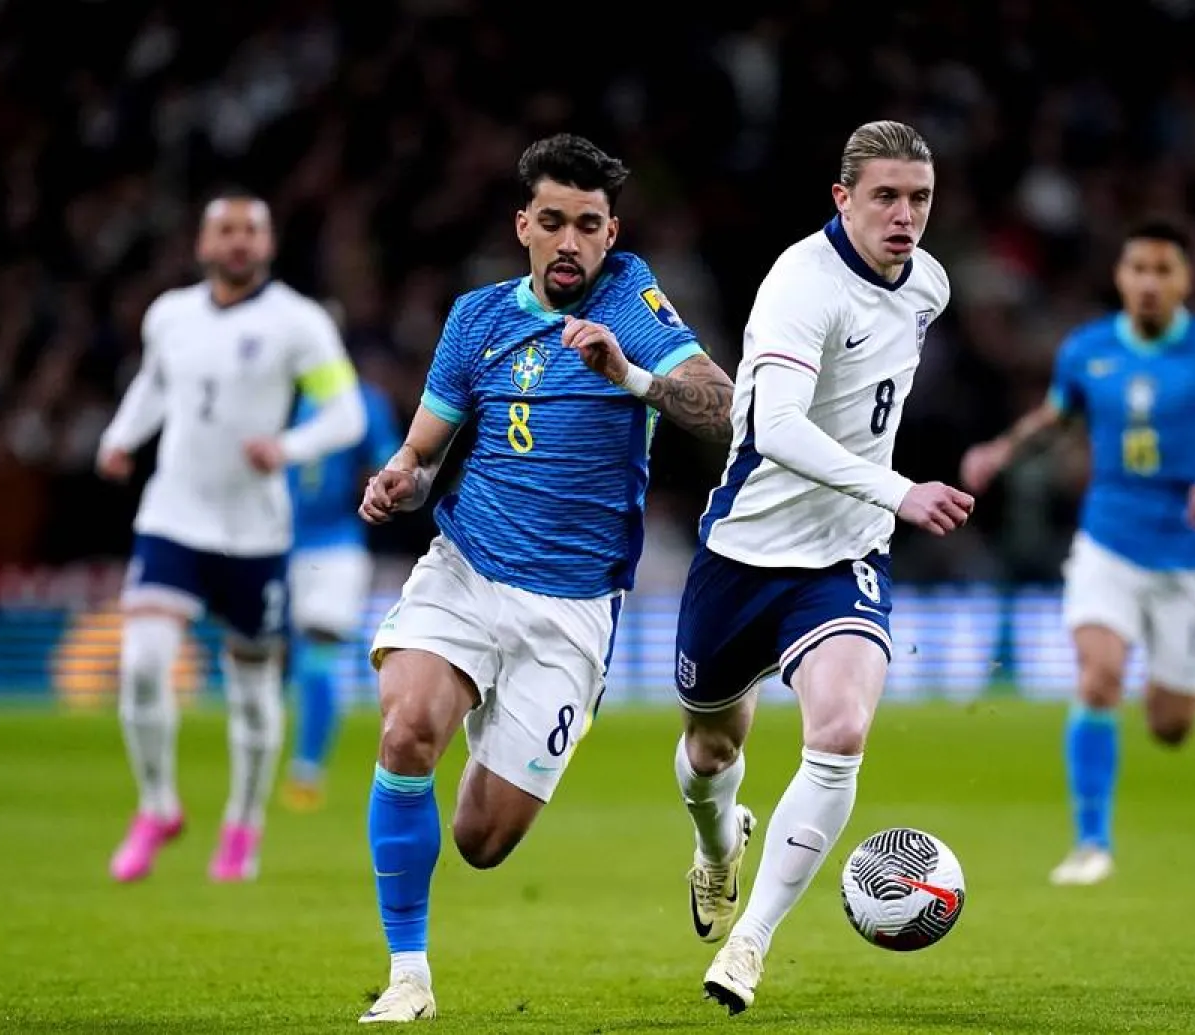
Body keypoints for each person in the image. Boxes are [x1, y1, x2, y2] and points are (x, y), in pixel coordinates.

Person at [354, 132, 735, 1023]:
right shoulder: (477, 320)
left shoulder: (630, 300)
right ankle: (409, 972)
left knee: (483, 841)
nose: (571, 242)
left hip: (570, 608)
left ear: (612, 232)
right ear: (523, 224)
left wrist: (630, 373)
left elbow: (720, 406)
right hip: (467, 567)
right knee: (408, 729)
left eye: (589, 225)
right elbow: (421, 448)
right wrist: (401, 475)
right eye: (553, 222)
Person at [671, 120, 973, 1015]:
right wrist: (898, 486)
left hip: (842, 558)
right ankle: (719, 847)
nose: (905, 216)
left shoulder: (929, 284)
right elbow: (772, 427)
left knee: (839, 732)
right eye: (885, 196)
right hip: (742, 552)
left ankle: (750, 944)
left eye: (919, 198)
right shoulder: (802, 285)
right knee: (707, 753)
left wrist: (877, 505)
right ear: (842, 198)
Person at [959, 218, 1195, 886]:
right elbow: (1056, 417)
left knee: (1171, 725)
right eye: (1138, 268)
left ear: (1185, 280)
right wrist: (1001, 449)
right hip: (1108, 537)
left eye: (1164, 270)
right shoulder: (1087, 350)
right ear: (1120, 276)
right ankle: (1091, 842)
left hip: (1191, 555)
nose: (1148, 282)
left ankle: (1164, 680)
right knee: (1098, 675)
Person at [97, 190, 367, 883]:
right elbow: (155, 385)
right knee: (142, 664)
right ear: (203, 243)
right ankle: (157, 805)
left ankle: (243, 821)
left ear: (268, 244)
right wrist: (121, 437)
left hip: (255, 532)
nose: (239, 241)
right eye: (226, 229)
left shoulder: (298, 323)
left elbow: (344, 415)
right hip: (173, 517)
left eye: (251, 230)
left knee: (251, 692)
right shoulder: (170, 316)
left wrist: (288, 446)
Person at [281, 375, 404, 810]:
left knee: (318, 659)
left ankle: (306, 770)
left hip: (336, 547)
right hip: (283, 543)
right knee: (290, 663)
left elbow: (388, 463)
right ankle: (290, 761)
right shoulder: (284, 394)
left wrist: (370, 488)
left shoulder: (365, 402)